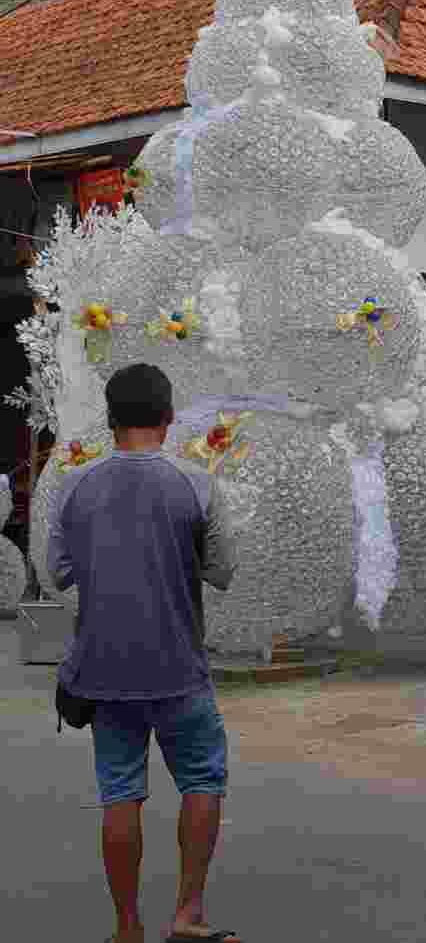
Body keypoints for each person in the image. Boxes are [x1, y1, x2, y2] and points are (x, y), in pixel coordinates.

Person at [47, 363, 240, 943]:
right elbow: (223, 570)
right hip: (181, 669)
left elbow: (57, 573)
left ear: (109, 421)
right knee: (203, 780)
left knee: (120, 793)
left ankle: (126, 926)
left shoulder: (73, 485)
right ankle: (187, 914)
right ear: (169, 417)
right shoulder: (198, 484)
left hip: (104, 673)